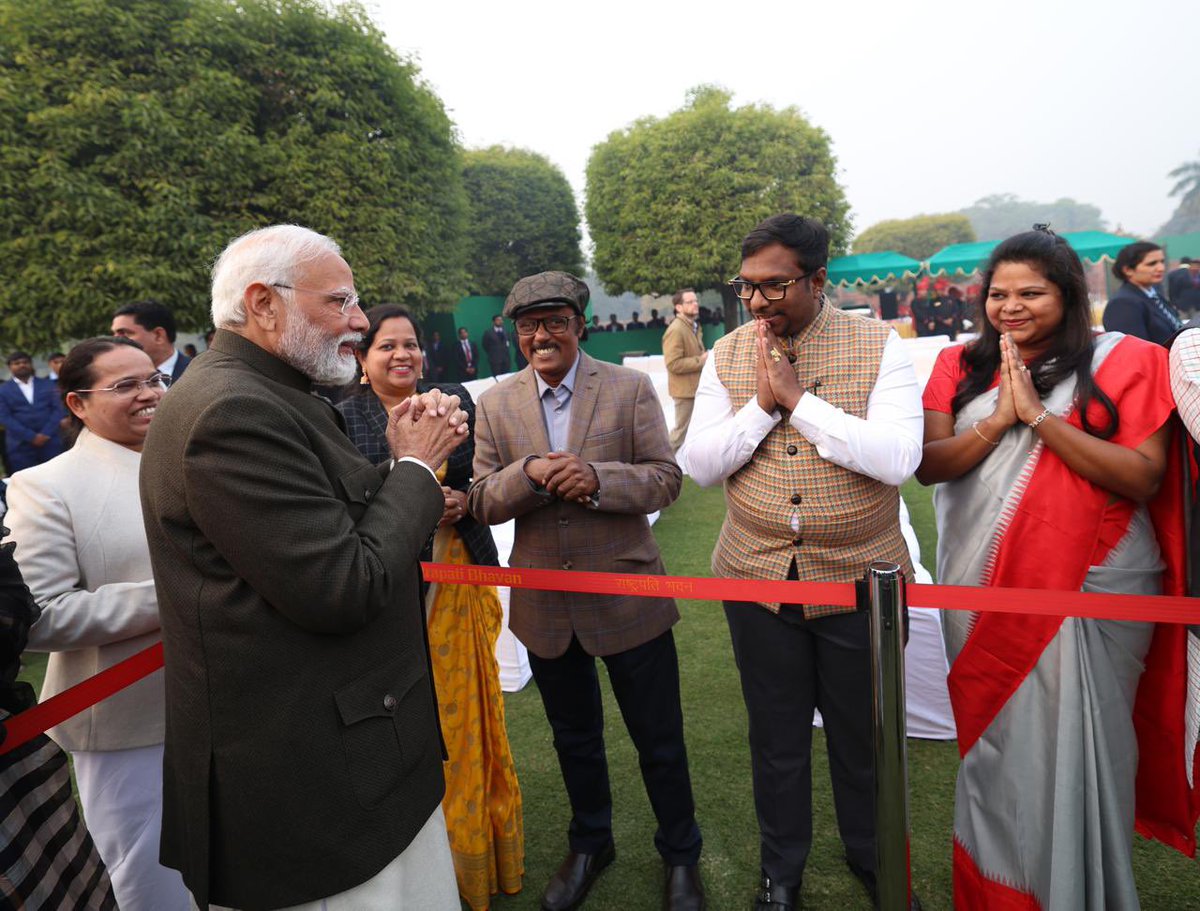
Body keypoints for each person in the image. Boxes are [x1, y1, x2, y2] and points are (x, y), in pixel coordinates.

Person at [139, 224, 468, 910]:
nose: (360, 320)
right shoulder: (233, 410)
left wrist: (401, 459)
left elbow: (332, 526)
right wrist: (416, 465)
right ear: (263, 303)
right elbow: (342, 586)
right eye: (340, 301)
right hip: (319, 797)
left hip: (356, 761)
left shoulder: (273, 391)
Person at [917, 228, 1199, 908]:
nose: (1011, 307)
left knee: (1087, 748)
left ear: (1069, 296)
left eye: (1031, 293)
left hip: (1098, 584)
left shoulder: (1127, 361)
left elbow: (1142, 475)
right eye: (998, 294)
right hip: (981, 585)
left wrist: (1040, 418)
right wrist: (998, 422)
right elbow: (930, 465)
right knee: (997, 746)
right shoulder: (958, 364)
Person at [681, 214, 923, 910]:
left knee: (863, 737)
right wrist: (762, 406)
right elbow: (699, 464)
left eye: (774, 286)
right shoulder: (727, 352)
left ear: (818, 280)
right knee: (777, 737)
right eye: (747, 286)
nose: (757, 301)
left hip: (864, 581)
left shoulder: (878, 344)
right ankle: (780, 872)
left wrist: (799, 403)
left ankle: (873, 857)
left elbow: (897, 458)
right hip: (756, 577)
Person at [468, 271, 705, 911]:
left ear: (580, 325)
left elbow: (665, 478)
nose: (541, 336)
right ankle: (591, 843)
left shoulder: (628, 388)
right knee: (574, 739)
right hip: (546, 606)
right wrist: (531, 474)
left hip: (628, 594)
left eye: (555, 322)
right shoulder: (495, 403)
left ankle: (681, 853)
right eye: (528, 326)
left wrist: (597, 479)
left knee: (659, 739)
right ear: (516, 334)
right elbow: (482, 500)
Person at [338, 303, 523, 911]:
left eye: (411, 344)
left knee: (471, 715)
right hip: (394, 589)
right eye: (387, 346)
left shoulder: (452, 401)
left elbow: (482, 475)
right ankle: (424, 863)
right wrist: (411, 495)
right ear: (363, 360)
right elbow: (345, 505)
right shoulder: (343, 418)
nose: (403, 355)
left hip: (459, 573)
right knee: (419, 719)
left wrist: (462, 501)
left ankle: (479, 848)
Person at [5, 336, 187, 910]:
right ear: (77, 403)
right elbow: (42, 614)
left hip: (226, 704)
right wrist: (178, 595)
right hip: (125, 719)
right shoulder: (47, 485)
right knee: (147, 878)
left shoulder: (195, 460)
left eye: (154, 380)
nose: (149, 394)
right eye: (125, 385)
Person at [1, 521, 118, 909]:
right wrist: (166, 593)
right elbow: (47, 609)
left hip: (19, 787)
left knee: (64, 888)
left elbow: (15, 610)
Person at [1101, 241, 1179, 344]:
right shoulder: (1123, 303)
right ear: (1128, 270)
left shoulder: (1154, 295)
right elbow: (1133, 348)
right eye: (1152, 264)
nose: (1161, 268)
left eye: (1162, 262)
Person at [0, 351, 65, 473]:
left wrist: (46, 434)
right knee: (27, 480)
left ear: (31, 364)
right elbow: (4, 416)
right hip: (20, 445)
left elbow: (58, 409)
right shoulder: (3, 390)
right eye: (17, 363)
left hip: (50, 441)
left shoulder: (48, 385)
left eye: (25, 362)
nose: (22, 365)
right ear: (10, 367)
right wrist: (31, 436)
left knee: (55, 475)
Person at [661, 287, 707, 451]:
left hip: (694, 389)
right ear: (678, 307)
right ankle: (662, 462)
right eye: (690, 302)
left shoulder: (691, 326)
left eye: (696, 300)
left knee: (697, 431)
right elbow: (673, 364)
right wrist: (701, 361)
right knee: (680, 433)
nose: (695, 304)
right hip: (685, 392)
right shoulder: (676, 330)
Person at [111, 300, 192, 381]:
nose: (115, 340)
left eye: (124, 333)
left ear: (158, 335)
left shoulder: (196, 373)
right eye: (114, 333)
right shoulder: (116, 378)